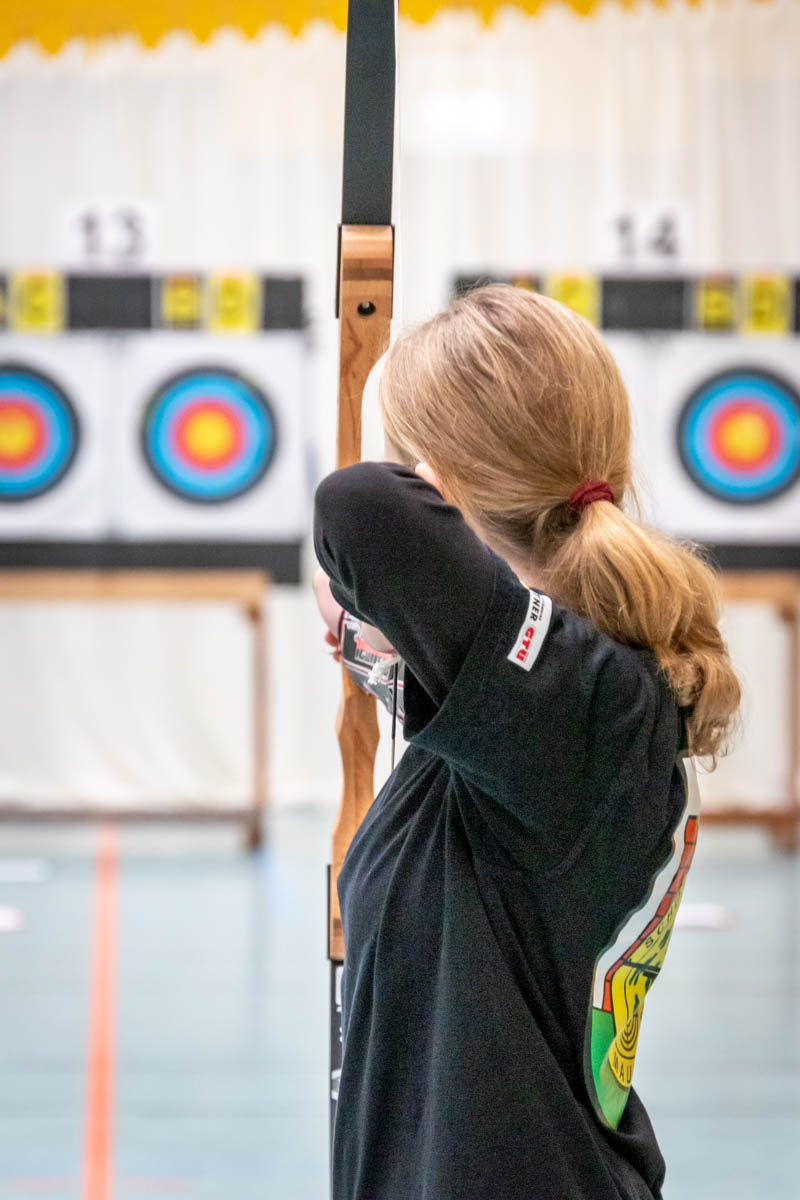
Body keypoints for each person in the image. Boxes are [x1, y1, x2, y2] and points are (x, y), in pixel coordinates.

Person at [313, 284, 740, 1200]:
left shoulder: (582, 707)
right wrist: (363, 638)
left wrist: (385, 558)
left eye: (413, 462)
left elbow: (358, 507)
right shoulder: (550, 708)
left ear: (442, 489)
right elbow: (446, 670)